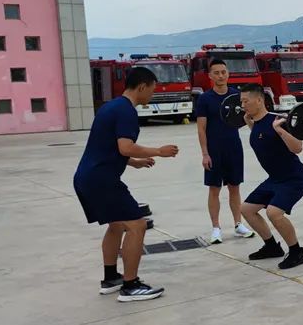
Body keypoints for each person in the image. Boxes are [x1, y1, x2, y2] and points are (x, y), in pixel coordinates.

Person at [73, 66, 179, 302]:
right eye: (151, 90)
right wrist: (159, 151)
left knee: (117, 225)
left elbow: (107, 147)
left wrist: (133, 163)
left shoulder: (110, 107)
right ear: (142, 87)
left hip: (87, 177)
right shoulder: (127, 112)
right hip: (102, 179)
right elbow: (125, 146)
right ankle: (130, 286)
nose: (152, 95)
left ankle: (111, 277)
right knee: (137, 225)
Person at [238, 84, 303, 270]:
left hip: (294, 177)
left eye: (246, 101)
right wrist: (250, 123)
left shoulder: (279, 121)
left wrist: (280, 130)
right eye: (241, 101)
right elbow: (263, 137)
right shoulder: (255, 122)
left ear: (260, 100)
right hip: (274, 179)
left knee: (274, 213)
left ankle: (296, 252)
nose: (242, 105)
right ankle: (271, 247)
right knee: (246, 209)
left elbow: (298, 148)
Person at [194, 58, 254, 244]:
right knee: (214, 189)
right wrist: (205, 153)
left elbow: (247, 118)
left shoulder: (237, 96)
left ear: (228, 74)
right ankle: (216, 228)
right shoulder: (205, 99)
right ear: (210, 76)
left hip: (233, 148)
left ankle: (238, 225)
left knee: (234, 187)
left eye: (223, 72)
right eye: (216, 73)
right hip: (213, 150)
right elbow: (201, 129)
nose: (221, 75)